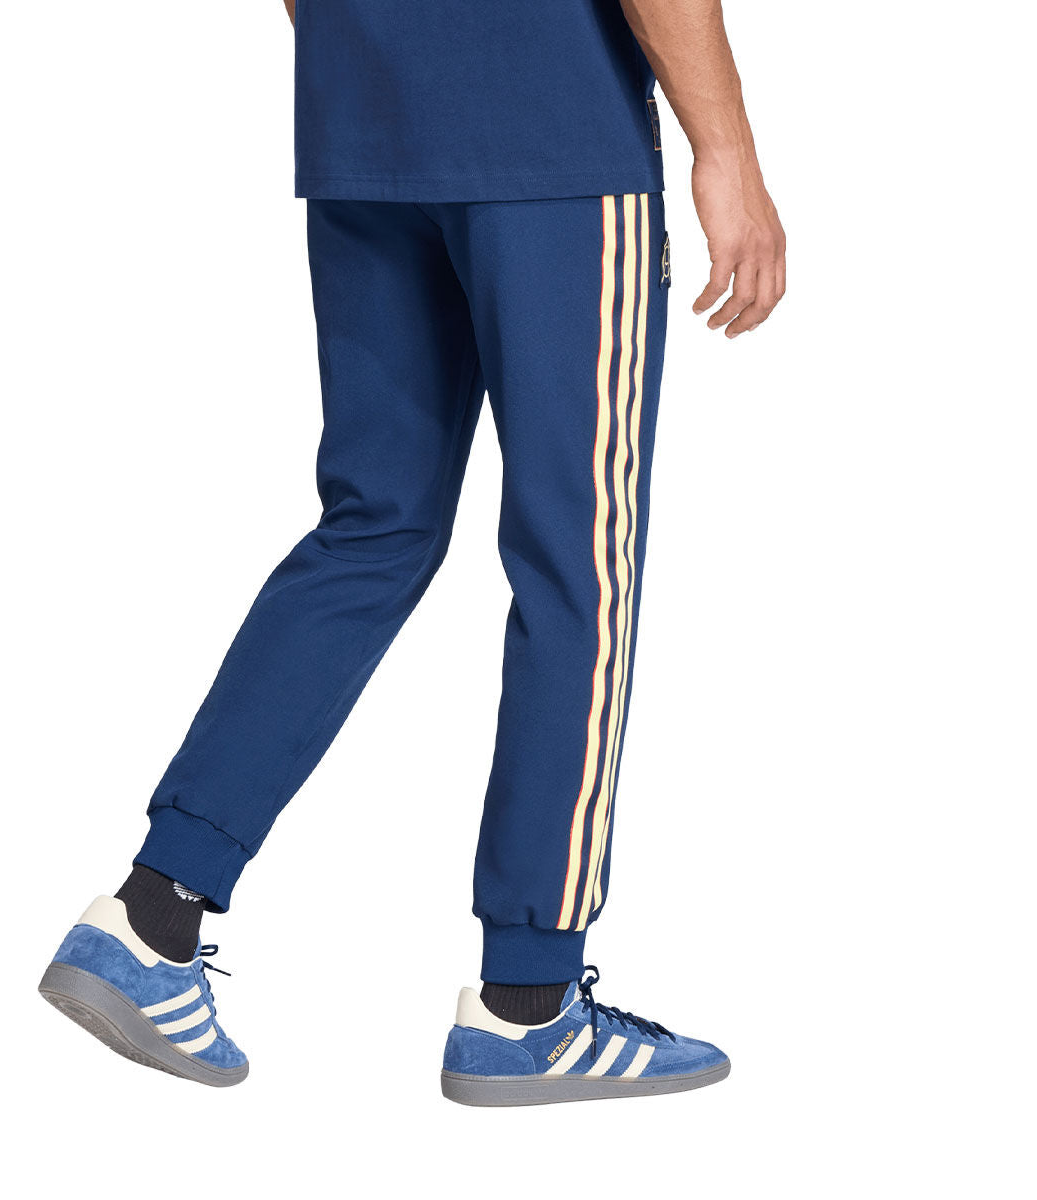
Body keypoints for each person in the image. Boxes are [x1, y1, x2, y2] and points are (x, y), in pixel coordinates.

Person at [39, 0, 785, 1104]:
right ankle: (528, 1004)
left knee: (372, 528)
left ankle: (151, 915)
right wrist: (727, 150)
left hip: (366, 126)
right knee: (578, 565)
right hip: (552, 135)